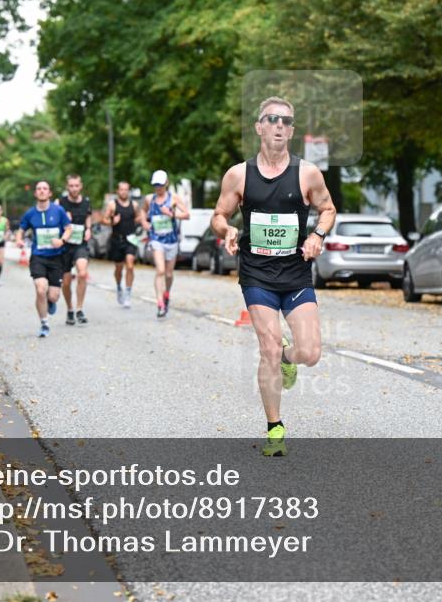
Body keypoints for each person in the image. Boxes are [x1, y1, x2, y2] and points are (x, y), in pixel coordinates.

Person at [211, 96, 336, 456]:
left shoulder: (307, 173)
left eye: (286, 120)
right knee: (267, 347)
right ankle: (275, 429)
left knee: (310, 353)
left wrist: (317, 236)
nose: (279, 125)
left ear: (292, 130)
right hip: (257, 275)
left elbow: (327, 209)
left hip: (296, 274)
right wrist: (228, 231)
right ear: (259, 126)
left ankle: (288, 359)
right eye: (272, 119)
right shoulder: (239, 174)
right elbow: (219, 214)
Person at [16, 181, 72, 338]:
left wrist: (62, 240)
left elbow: (68, 228)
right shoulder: (30, 214)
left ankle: (50, 301)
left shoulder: (59, 210)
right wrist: (19, 240)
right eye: (39, 189)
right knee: (40, 288)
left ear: (50, 193)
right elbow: (20, 230)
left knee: (53, 295)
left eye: (45, 189)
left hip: (56, 258)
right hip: (38, 257)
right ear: (35, 193)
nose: (41, 191)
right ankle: (44, 324)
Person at [141, 169, 190, 317]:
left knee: (169, 274)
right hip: (156, 239)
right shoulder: (150, 199)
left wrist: (172, 214)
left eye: (160, 185)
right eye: (156, 185)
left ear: (166, 183)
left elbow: (187, 214)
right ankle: (160, 303)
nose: (158, 188)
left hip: (171, 240)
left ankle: (167, 293)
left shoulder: (173, 198)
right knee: (160, 270)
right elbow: (142, 211)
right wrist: (144, 223)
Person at [58, 174, 92, 325]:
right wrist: (64, 219)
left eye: (76, 185)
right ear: (67, 187)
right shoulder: (60, 203)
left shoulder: (86, 202)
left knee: (82, 273)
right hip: (65, 246)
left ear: (81, 186)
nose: (74, 188)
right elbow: (53, 220)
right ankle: (70, 309)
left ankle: (79, 309)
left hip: (80, 243)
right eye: (71, 186)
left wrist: (89, 229)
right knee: (66, 282)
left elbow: (88, 217)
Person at [101, 180, 140, 308]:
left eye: (126, 189)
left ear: (129, 191)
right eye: (121, 189)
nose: (123, 192)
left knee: (130, 265)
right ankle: (119, 287)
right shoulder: (112, 205)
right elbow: (104, 220)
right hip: (117, 240)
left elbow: (138, 218)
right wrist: (112, 220)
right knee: (119, 268)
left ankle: (128, 292)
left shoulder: (134, 205)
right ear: (118, 191)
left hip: (131, 239)